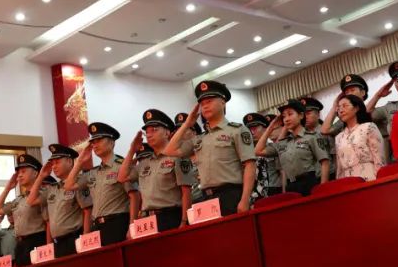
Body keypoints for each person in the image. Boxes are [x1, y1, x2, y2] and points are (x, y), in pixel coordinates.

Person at [165, 80, 256, 216]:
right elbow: (169, 150)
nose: (205, 106)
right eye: (202, 104)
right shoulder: (200, 138)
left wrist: (245, 199)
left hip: (230, 195)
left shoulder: (236, 130)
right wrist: (187, 124)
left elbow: (250, 165)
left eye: (209, 101)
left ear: (223, 102)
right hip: (206, 198)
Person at [119, 109, 196, 231]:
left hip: (170, 217)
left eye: (154, 130)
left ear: (167, 132)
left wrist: (184, 221)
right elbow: (122, 177)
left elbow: (186, 192)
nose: (149, 135)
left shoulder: (177, 157)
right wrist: (132, 150)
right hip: (148, 220)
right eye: (147, 132)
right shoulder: (144, 162)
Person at [65, 123, 137, 245]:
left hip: (117, 223)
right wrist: (80, 161)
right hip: (97, 226)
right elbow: (68, 186)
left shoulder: (121, 166)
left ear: (111, 143)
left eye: (99, 140)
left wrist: (132, 226)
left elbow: (134, 196)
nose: (95, 145)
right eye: (93, 142)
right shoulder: (93, 172)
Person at [255, 99, 330, 196]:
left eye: (290, 114)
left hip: (309, 183)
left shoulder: (311, 137)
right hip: (290, 186)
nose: (286, 119)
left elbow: (325, 162)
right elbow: (258, 151)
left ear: (301, 115)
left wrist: (323, 188)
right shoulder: (283, 142)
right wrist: (271, 127)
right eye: (284, 116)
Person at [28, 144, 90, 257]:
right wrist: (41, 176)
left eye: (57, 162)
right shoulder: (52, 188)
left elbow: (87, 211)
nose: (54, 167)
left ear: (69, 162)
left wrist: (86, 237)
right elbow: (31, 201)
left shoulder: (78, 183)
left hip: (74, 238)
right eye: (52, 163)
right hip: (57, 243)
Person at [0, 154, 49, 264]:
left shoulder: (43, 194)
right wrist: (7, 188)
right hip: (20, 244)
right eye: (18, 173)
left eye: (23, 171)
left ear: (35, 173)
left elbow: (48, 222)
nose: (19, 175)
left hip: (37, 241)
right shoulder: (18, 199)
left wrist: (49, 246)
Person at [331, 93, 384, 181]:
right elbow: (339, 169)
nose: (341, 110)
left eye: (345, 106)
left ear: (356, 108)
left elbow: (379, 159)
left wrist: (380, 180)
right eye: (339, 108)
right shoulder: (338, 138)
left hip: (370, 178)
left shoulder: (369, 127)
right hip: (348, 182)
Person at [244, 112, 282, 196]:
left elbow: (281, 172)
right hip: (255, 193)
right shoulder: (246, 150)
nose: (252, 132)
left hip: (273, 190)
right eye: (249, 129)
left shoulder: (272, 146)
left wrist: (284, 192)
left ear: (265, 129)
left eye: (255, 128)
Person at [300, 96, 336, 174]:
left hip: (330, 174)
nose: (305, 117)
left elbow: (335, 156)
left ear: (318, 114)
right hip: (311, 177)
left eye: (308, 113)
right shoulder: (301, 135)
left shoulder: (327, 131)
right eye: (303, 114)